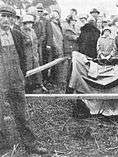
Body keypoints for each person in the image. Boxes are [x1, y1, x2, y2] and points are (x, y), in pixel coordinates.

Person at [0, 4, 49, 155]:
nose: (6, 20)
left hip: (16, 79)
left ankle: (31, 145)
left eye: (10, 17)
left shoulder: (17, 34)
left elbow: (23, 57)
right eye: (3, 16)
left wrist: (22, 74)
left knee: (22, 114)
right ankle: (3, 148)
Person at [21, 14, 46, 94]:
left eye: (31, 23)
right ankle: (26, 88)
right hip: (26, 55)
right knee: (28, 71)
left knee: (36, 70)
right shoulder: (21, 31)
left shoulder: (32, 31)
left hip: (34, 55)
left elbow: (35, 42)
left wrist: (36, 54)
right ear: (24, 23)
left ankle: (38, 85)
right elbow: (21, 44)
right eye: (27, 23)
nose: (29, 25)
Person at [45, 10, 67, 92]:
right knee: (53, 65)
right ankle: (51, 81)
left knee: (58, 65)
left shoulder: (58, 25)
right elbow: (51, 36)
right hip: (55, 48)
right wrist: (55, 47)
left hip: (60, 46)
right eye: (56, 17)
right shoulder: (50, 24)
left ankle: (57, 81)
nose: (57, 19)